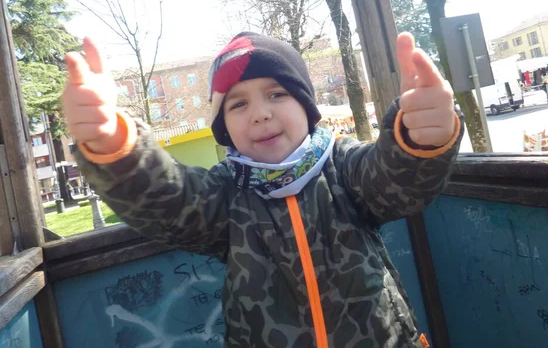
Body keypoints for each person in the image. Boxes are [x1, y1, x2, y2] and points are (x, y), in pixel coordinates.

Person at [62, 32, 463, 348]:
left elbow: (398, 182)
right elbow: (167, 198)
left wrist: (422, 133)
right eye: (237, 105)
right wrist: (114, 143)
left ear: (305, 105)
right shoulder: (225, 193)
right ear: (226, 129)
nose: (260, 113)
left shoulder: (344, 167)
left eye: (277, 94)